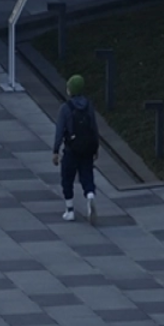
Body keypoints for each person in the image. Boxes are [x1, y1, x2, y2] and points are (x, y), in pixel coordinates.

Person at [51, 74, 99, 222]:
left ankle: (70, 210)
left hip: (71, 149)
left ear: (70, 90)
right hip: (87, 149)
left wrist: (55, 151)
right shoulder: (89, 105)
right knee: (87, 175)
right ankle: (90, 195)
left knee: (67, 178)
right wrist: (95, 147)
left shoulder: (65, 108)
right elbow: (94, 128)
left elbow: (59, 131)